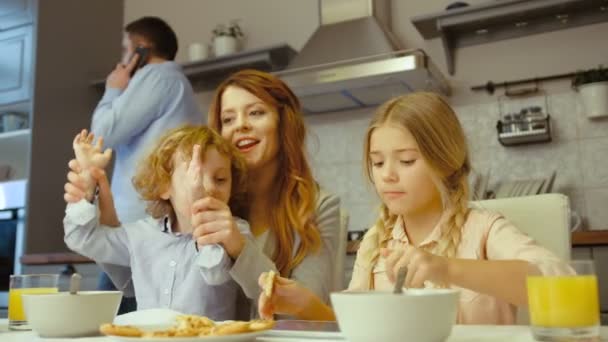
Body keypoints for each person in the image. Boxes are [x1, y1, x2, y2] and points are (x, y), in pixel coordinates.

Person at [256, 92, 570, 324]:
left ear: (446, 163)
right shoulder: (375, 242)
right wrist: (303, 304)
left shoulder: (484, 228)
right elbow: (354, 329)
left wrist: (444, 267)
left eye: (406, 160)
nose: (387, 174)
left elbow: (561, 284)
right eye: (377, 162)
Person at [195, 69, 341, 318]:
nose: (241, 124)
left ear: (283, 123)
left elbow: (304, 309)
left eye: (256, 113)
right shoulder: (210, 200)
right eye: (228, 119)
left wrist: (240, 247)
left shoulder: (319, 206)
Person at [63, 126, 248, 319]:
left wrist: (205, 217)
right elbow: (82, 238)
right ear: (164, 187)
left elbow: (215, 273)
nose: (209, 187)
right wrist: (88, 182)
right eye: (196, 177)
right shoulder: (140, 235)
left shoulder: (235, 232)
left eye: (220, 179)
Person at [89, 16, 202, 309]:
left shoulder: (157, 77)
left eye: (126, 49)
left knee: (109, 319)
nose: (123, 58)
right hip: (152, 224)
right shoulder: (178, 85)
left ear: (141, 49)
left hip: (139, 226)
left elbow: (101, 135)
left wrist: (113, 88)